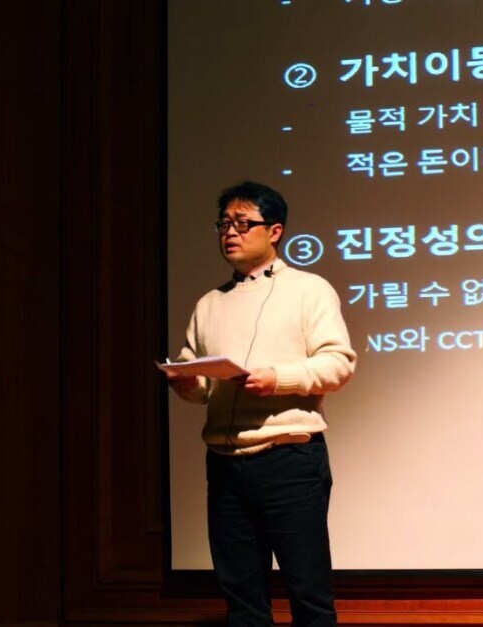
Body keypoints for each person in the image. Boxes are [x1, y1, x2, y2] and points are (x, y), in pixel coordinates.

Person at [167, 181, 356, 627]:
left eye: (242, 223)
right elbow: (201, 384)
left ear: (274, 231)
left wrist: (277, 379)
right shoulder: (210, 303)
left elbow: (338, 364)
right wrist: (186, 382)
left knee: (308, 595)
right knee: (243, 602)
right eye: (223, 224)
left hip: (289, 459)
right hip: (224, 462)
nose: (230, 232)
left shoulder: (309, 290)